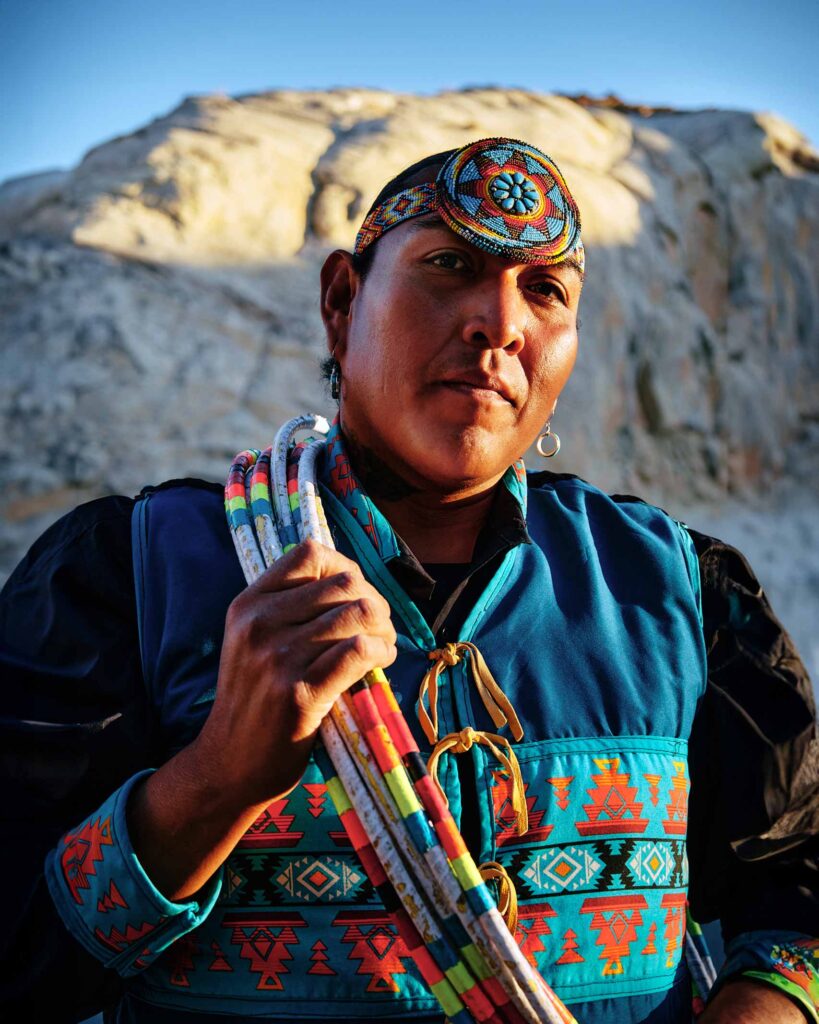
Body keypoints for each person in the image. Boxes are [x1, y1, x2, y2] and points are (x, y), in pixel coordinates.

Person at [1, 137, 817, 1024]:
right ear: (343, 303)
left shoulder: (676, 586)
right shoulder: (136, 572)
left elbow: (796, 896)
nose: (498, 322)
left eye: (544, 290)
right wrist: (216, 779)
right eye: (449, 265)